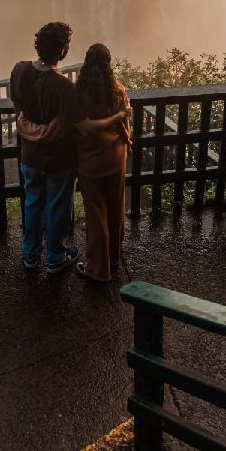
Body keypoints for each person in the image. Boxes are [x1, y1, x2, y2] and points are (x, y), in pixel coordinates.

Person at [10, 23, 124, 274]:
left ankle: (30, 255)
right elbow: (85, 127)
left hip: (29, 156)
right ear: (62, 51)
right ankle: (54, 257)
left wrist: (30, 130)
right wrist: (117, 118)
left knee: (32, 203)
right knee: (56, 208)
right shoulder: (64, 87)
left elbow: (18, 108)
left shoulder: (19, 70)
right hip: (58, 160)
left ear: (38, 45)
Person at [72, 43, 130, 282]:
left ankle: (98, 269)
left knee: (96, 213)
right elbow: (125, 124)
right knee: (116, 208)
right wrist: (127, 140)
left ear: (86, 64)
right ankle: (114, 260)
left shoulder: (77, 94)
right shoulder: (117, 90)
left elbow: (75, 128)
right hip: (116, 156)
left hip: (90, 161)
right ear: (109, 65)